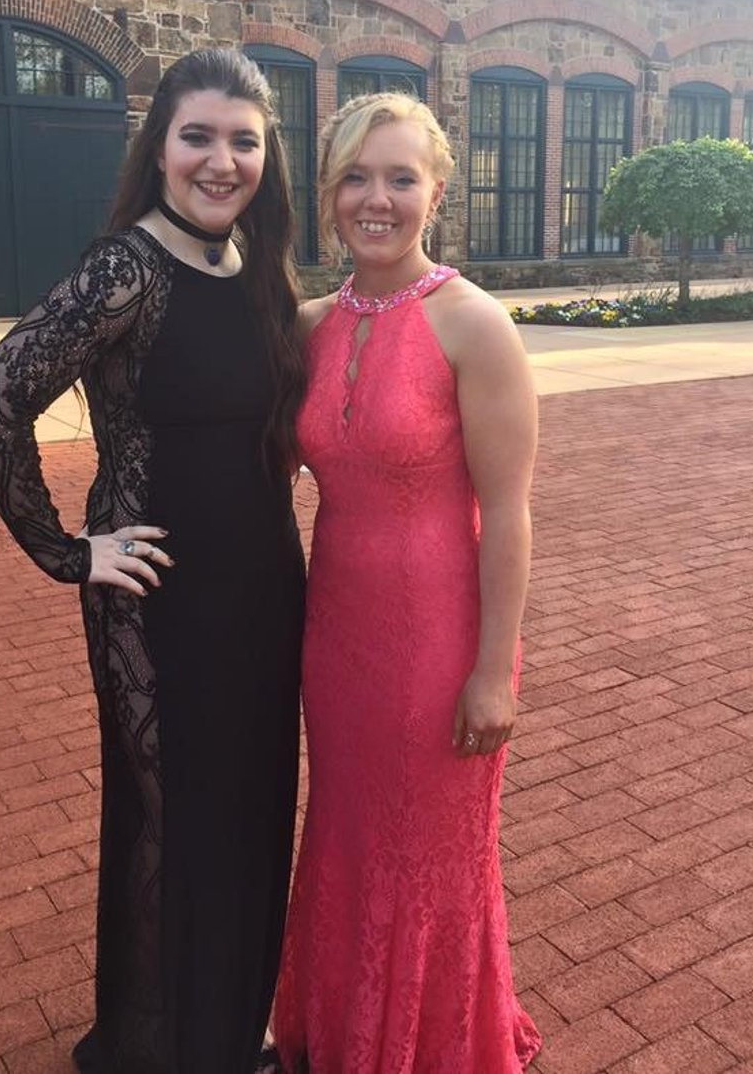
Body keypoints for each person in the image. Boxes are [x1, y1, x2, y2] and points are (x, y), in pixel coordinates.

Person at [0, 48, 306, 1074]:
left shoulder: (256, 265)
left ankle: (228, 1028)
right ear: (158, 147)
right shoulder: (127, 269)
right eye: (197, 136)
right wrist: (68, 550)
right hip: (153, 596)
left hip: (261, 587)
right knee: (169, 821)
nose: (220, 160)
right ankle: (154, 1047)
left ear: (266, 157)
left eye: (243, 140)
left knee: (249, 809)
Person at [273, 93, 542, 1072]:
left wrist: (492, 671)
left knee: (430, 851)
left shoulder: (474, 325)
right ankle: (347, 1030)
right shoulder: (306, 325)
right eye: (354, 176)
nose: (374, 198)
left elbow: (506, 511)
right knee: (346, 831)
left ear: (436, 191)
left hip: (439, 642)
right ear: (328, 191)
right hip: (337, 638)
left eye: (398, 177)